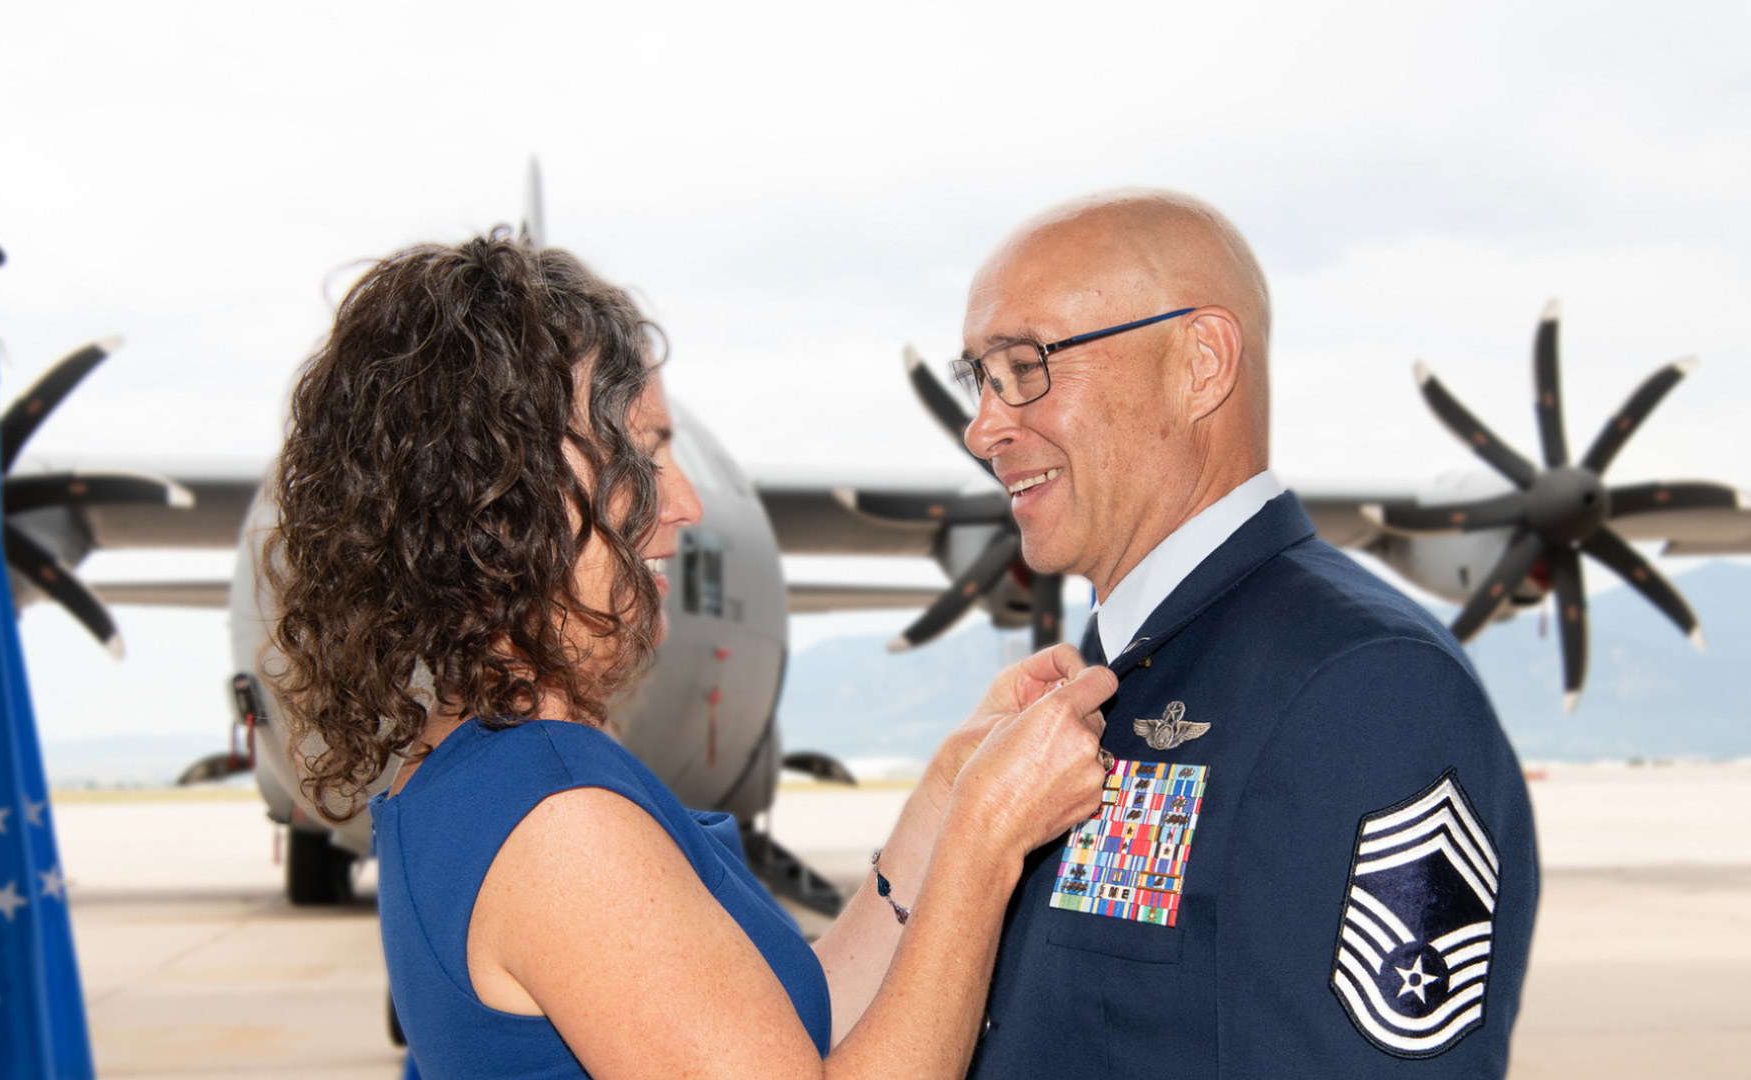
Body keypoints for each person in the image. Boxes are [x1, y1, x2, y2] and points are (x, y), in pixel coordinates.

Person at [263, 232, 1117, 1080]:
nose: (685, 501)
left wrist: (946, 795)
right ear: (503, 495)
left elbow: (778, 1036)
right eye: (642, 451)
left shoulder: (483, 770)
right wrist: (986, 841)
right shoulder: (561, 823)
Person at [951, 192, 1539, 1077]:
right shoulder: (1123, 668)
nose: (983, 427)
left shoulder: (1367, 688)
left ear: (1201, 364)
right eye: (981, 377)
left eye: (1027, 364)